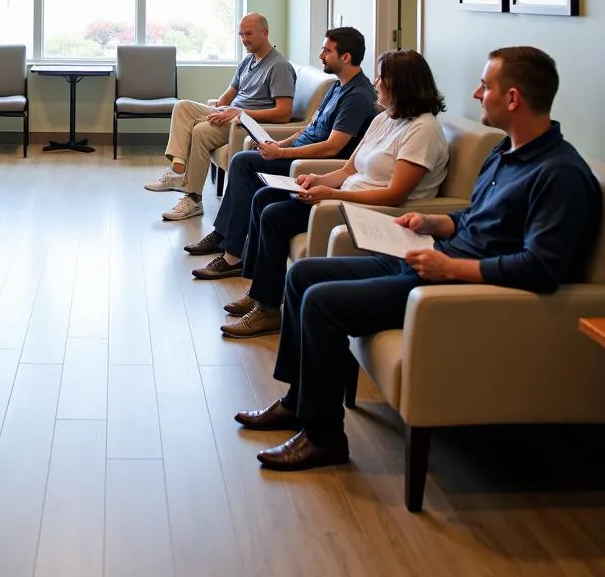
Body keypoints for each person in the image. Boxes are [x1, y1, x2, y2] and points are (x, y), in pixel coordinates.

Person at [238, 46, 602, 473]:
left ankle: (324, 438)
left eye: (485, 86)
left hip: (458, 284)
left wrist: (452, 268)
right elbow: (479, 217)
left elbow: (541, 268)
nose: (476, 92)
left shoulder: (559, 174)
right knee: (303, 273)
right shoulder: (507, 154)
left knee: (322, 303)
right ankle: (298, 403)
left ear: (514, 98)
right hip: (435, 258)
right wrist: (439, 224)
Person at [220, 48, 449, 339]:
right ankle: (260, 294)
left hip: (369, 211)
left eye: (382, 77)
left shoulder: (422, 131)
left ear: (401, 84)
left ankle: (267, 309)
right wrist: (318, 179)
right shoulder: (385, 118)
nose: (375, 82)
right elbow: (349, 170)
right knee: (264, 197)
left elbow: (394, 196)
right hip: (344, 197)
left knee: (275, 215)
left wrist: (332, 194)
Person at [187, 27, 377, 291]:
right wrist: (279, 143)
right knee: (248, 161)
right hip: (295, 153)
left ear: (346, 57)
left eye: (327, 50)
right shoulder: (338, 86)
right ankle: (229, 243)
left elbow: (332, 148)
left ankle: (230, 249)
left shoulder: (358, 96)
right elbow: (310, 127)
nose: (321, 55)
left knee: (243, 162)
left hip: (310, 164)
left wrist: (283, 153)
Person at [144, 13, 296, 222]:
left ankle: (193, 200)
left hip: (245, 124)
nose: (244, 39)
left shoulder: (279, 66)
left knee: (200, 131)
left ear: (265, 32)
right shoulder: (248, 61)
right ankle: (177, 168)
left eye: (249, 34)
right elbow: (229, 94)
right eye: (241, 34)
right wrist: (217, 109)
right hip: (229, 115)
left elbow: (284, 113)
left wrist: (240, 113)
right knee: (182, 107)